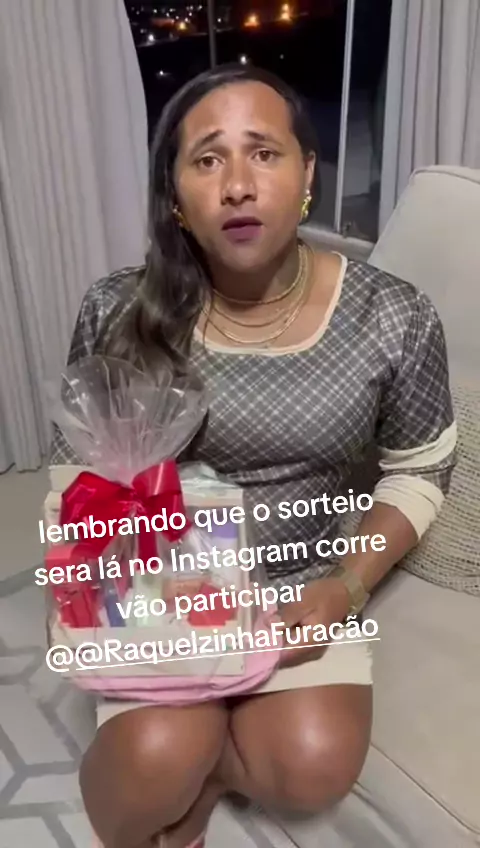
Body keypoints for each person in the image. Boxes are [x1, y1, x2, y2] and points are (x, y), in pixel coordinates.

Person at [49, 64, 457, 848]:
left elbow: (419, 466)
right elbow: (82, 469)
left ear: (308, 174)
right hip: (161, 586)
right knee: (160, 754)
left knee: (311, 765)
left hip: (302, 583)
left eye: (264, 153)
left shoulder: (393, 316)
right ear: (175, 195)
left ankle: (210, 779)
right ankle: (183, 766)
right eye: (207, 159)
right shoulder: (118, 308)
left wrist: (346, 586)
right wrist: (92, 581)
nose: (237, 185)